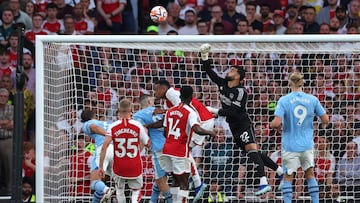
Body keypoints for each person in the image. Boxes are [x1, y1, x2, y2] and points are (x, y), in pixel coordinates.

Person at [199, 44, 283, 196]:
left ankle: (263, 182)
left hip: (242, 124)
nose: (228, 71)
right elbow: (210, 73)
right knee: (253, 152)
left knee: (251, 150)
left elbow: (235, 111)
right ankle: (280, 171)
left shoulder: (241, 91)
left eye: (232, 70)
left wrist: (216, 111)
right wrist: (205, 57)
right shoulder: (223, 85)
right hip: (233, 128)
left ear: (238, 76)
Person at [270, 72, 330, 203]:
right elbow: (325, 120)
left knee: (288, 176)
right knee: (310, 174)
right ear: (302, 83)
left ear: (290, 83)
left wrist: (273, 126)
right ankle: (315, 201)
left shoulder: (284, 100)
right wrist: (312, 126)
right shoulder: (313, 99)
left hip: (290, 144)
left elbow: (276, 123)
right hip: (307, 144)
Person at [153, 79, 214, 202]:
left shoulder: (172, 94)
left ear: (163, 88)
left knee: (187, 152)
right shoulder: (169, 102)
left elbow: (183, 112)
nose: (154, 93)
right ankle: (196, 183)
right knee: (178, 177)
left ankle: (197, 183)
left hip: (202, 122)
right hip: (193, 129)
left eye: (156, 89)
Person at [99, 98, 151, 203]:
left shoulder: (113, 126)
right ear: (131, 110)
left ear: (118, 110)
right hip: (134, 164)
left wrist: (101, 166)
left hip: (119, 165)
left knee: (119, 190)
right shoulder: (137, 125)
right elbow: (147, 143)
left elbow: (104, 147)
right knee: (136, 191)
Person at [132, 94, 172, 203]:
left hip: (158, 149)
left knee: (160, 181)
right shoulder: (163, 111)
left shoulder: (138, 115)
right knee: (160, 177)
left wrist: (140, 151)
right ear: (149, 102)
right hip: (171, 147)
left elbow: (142, 133)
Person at [81, 109, 115, 203]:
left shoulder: (88, 123)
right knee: (103, 181)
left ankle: (107, 190)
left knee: (94, 182)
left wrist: (107, 135)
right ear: (95, 115)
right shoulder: (108, 123)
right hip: (117, 151)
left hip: (104, 149)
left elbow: (94, 127)